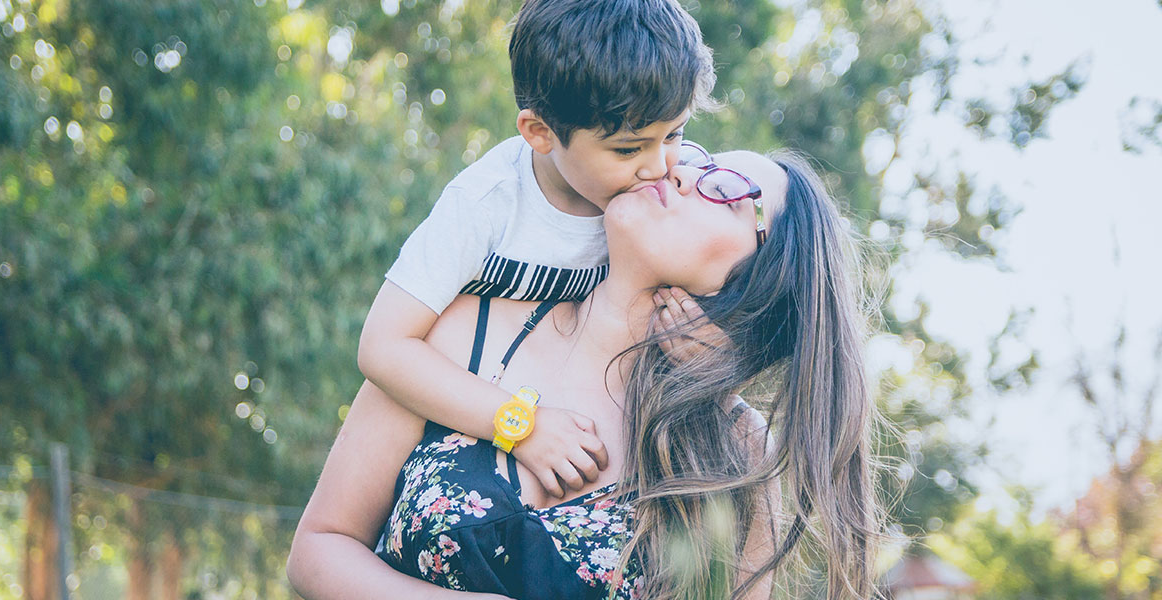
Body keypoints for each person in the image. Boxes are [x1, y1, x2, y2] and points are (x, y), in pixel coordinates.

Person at [288, 146, 881, 599]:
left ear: (763, 277)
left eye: (723, 186)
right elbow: (317, 550)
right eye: (697, 157)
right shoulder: (458, 328)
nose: (676, 169)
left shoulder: (738, 453)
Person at [355, 0, 719, 503]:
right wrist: (519, 427)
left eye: (674, 133)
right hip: (471, 449)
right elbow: (382, 346)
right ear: (540, 133)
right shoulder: (485, 206)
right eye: (629, 149)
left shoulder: (678, 182)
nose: (660, 167)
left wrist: (717, 352)